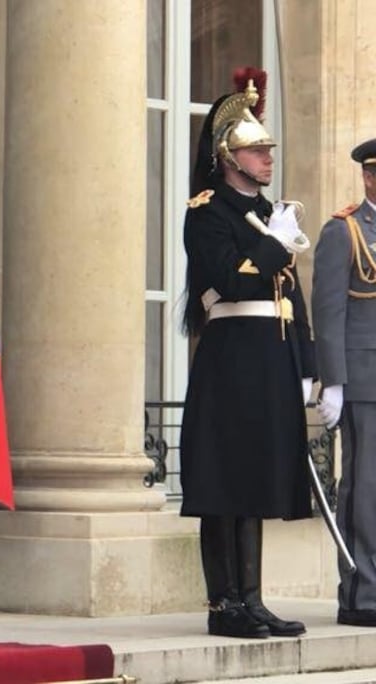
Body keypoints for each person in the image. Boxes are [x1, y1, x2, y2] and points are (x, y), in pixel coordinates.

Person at [180, 69, 314, 639]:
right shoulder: (207, 212)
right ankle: (224, 605)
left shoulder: (272, 212)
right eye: (257, 151)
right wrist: (271, 243)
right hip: (232, 357)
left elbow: (292, 296)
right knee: (223, 480)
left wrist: (308, 365)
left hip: (270, 358)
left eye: (267, 150)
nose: (267, 158)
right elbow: (230, 284)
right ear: (229, 156)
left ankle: (252, 599)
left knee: (256, 480)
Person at [312, 137, 376, 628]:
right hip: (364, 379)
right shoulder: (345, 231)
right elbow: (329, 309)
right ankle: (362, 593)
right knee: (365, 488)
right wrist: (332, 380)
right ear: (369, 178)